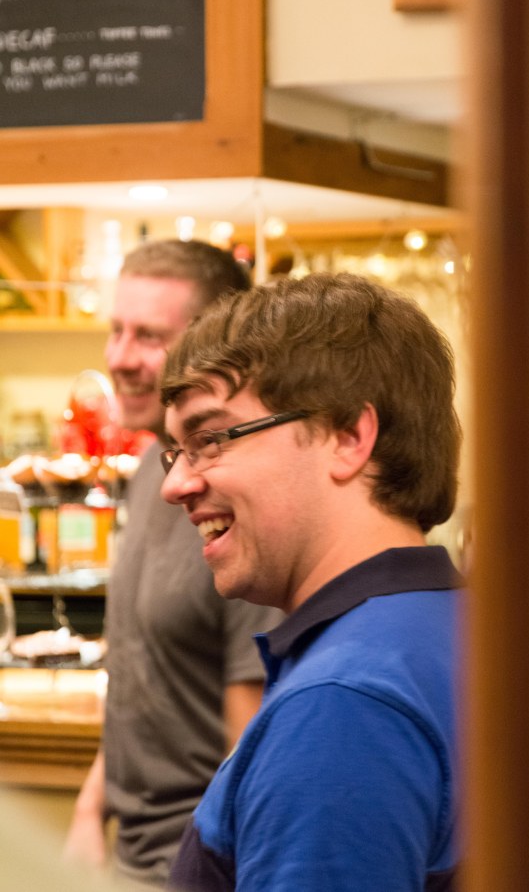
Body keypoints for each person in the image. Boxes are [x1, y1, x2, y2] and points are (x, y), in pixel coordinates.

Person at [158, 272, 465, 892]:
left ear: (348, 437)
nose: (175, 485)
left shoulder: (344, 706)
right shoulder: (450, 627)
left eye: (210, 439)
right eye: (176, 452)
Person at [64, 240, 281, 888]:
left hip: (194, 866)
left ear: (212, 345)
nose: (119, 357)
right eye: (116, 330)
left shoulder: (235, 503)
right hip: (129, 859)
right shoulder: (150, 472)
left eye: (148, 336)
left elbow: (250, 743)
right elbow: (142, 677)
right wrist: (90, 808)